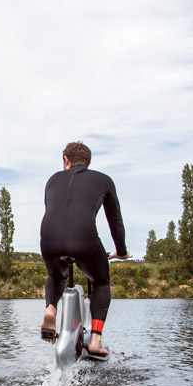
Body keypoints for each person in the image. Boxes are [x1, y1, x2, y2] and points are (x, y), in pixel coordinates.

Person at [39, 141, 129, 356]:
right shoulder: (103, 180)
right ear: (88, 163)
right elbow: (115, 221)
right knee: (101, 282)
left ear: (65, 160)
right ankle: (96, 340)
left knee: (55, 275)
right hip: (85, 240)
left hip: (49, 240)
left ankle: (51, 308)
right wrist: (121, 251)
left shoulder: (52, 179)